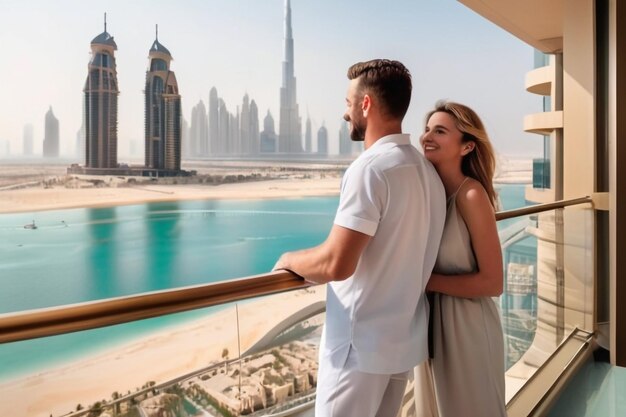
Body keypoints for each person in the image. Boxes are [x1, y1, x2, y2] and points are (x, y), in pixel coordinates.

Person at [273, 59, 446, 417]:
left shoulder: (370, 170)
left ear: (366, 104)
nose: (345, 113)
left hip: (359, 350)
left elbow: (336, 263)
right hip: (399, 346)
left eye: (348, 103)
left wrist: (289, 259)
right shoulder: (425, 172)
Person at [415, 100, 506, 417]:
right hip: (430, 326)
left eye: (440, 131)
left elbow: (494, 283)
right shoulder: (428, 196)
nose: (427, 136)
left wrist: (425, 281)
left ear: (467, 146)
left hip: (467, 329)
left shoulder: (471, 195)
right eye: (427, 129)